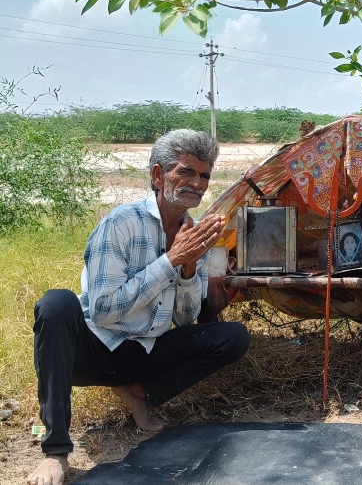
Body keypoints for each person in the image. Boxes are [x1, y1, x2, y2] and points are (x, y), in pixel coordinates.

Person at [27, 130, 250, 485]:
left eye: (204, 175)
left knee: (233, 336)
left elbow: (185, 318)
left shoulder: (194, 233)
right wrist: (170, 261)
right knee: (56, 302)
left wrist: (190, 268)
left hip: (145, 352)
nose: (197, 183)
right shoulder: (121, 223)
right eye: (186, 172)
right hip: (95, 350)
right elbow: (101, 311)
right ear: (159, 175)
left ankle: (139, 392)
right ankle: (55, 451)